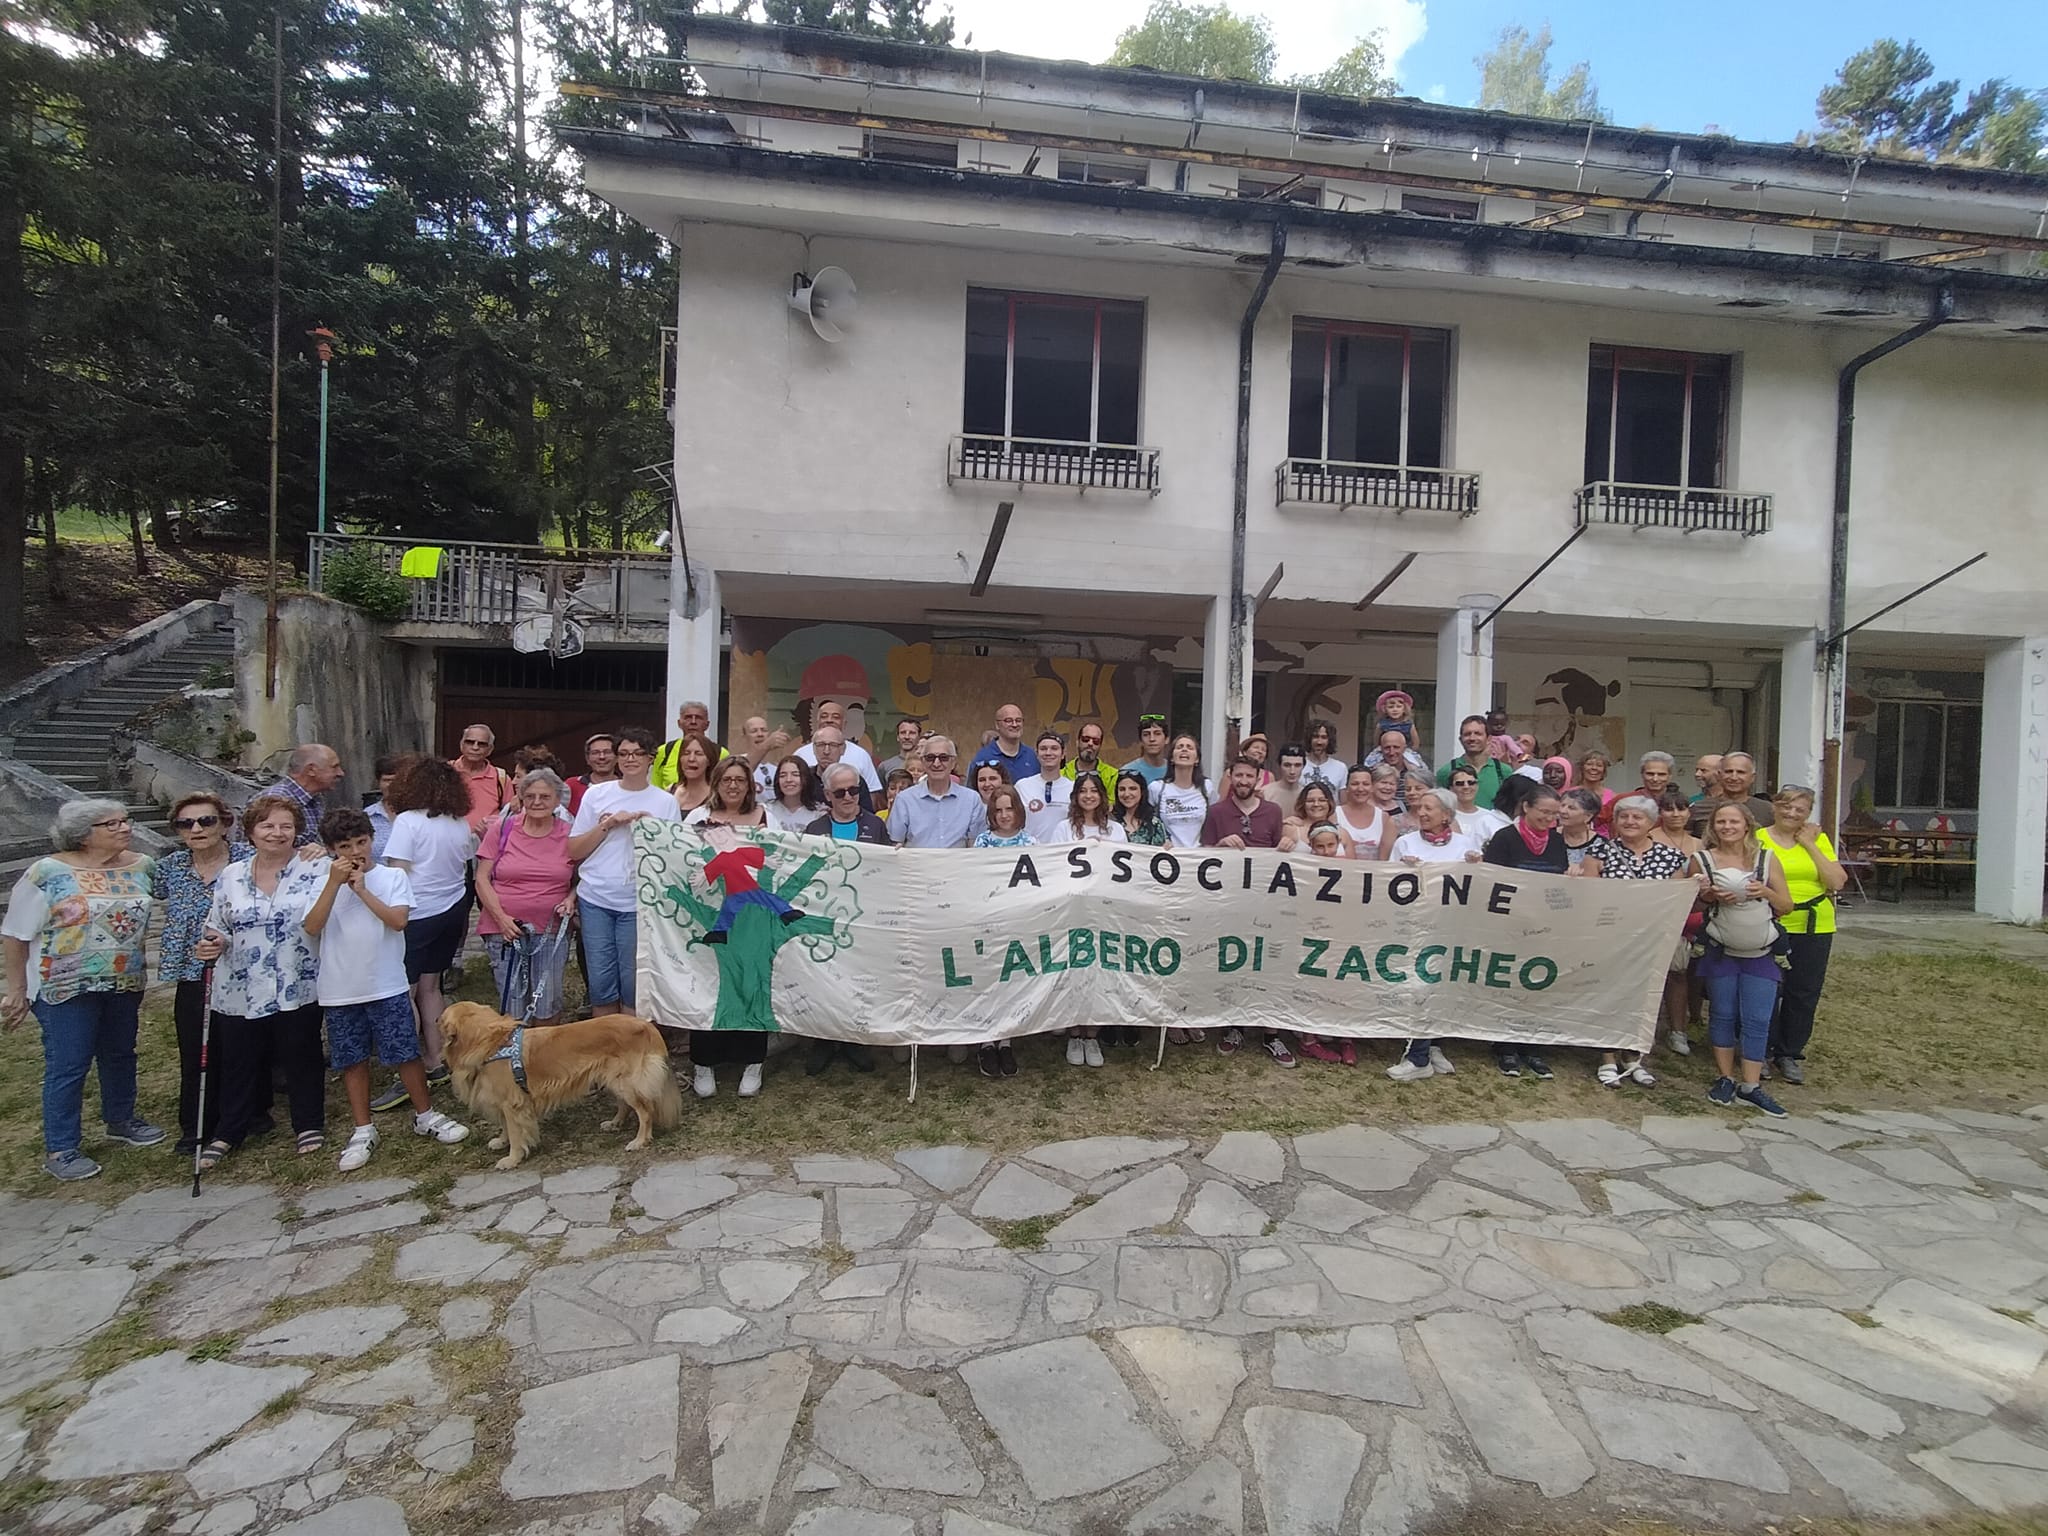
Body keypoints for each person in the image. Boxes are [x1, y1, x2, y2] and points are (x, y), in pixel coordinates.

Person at [1, 800, 164, 1180]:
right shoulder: (48, 873)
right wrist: (17, 988)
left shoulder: (142, 866)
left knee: (121, 1053)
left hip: (123, 979)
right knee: (69, 1063)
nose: (124, 828)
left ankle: (121, 1119)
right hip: (64, 985)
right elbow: (15, 933)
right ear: (84, 834)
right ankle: (61, 1147)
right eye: (112, 824)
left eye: (126, 821)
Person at [304, 807, 469, 1171]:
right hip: (339, 987)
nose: (355, 852)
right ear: (332, 849)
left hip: (387, 983)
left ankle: (425, 1114)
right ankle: (363, 1127)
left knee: (405, 1052)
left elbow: (398, 921)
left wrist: (362, 891)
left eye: (361, 842)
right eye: (345, 846)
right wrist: (334, 884)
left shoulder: (392, 877)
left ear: (372, 840)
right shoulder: (318, 878)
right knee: (352, 1059)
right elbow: (312, 926)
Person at [194, 795, 330, 1168]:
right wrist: (213, 942)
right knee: (239, 1058)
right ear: (251, 832)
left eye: (286, 826)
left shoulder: (315, 867)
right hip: (240, 982)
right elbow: (217, 924)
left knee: (301, 1054)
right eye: (268, 826)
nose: (277, 833)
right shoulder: (232, 875)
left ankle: (308, 1123)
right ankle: (229, 1129)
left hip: (295, 979)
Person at [373, 756, 477, 1110]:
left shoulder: (408, 821)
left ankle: (410, 1067)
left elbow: (397, 872)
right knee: (432, 987)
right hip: (451, 912)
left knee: (405, 991)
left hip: (416, 914)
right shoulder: (460, 823)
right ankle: (438, 1060)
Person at [151, 792, 248, 1157]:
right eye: (186, 823)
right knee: (196, 1047)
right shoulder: (170, 867)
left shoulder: (246, 859)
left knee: (239, 1046)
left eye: (206, 821)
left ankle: (244, 1116)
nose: (196, 828)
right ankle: (195, 1124)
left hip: (240, 965)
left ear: (224, 824)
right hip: (193, 969)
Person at [567, 727, 681, 1016]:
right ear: (617, 759)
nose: (630, 759)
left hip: (638, 901)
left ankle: (630, 1048)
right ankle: (604, 1047)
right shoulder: (596, 794)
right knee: (601, 979)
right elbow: (574, 850)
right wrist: (607, 825)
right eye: (624, 754)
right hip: (597, 898)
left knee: (633, 980)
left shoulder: (665, 802)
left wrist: (652, 830)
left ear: (650, 759)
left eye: (637, 753)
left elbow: (672, 858)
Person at [1586, 795, 1693, 1089]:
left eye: (1637, 818)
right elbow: (1589, 893)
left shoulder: (1669, 857)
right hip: (1611, 936)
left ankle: (1634, 1058)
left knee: (1643, 998)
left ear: (1651, 822)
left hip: (1651, 939)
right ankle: (1607, 1057)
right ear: (1616, 821)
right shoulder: (1600, 850)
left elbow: (1677, 899)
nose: (1630, 822)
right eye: (1624, 817)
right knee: (1609, 994)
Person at [1696, 801, 1794, 1117]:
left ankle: (1751, 1085)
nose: (1727, 827)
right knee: (1722, 1014)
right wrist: (1709, 895)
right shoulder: (1701, 860)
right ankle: (1725, 1078)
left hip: (1760, 952)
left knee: (1757, 1018)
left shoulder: (1766, 859)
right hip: (1722, 950)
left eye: (1733, 821)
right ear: (1713, 826)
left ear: (1746, 825)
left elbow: (1787, 904)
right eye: (1721, 821)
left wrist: (1762, 892)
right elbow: (1692, 904)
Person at [1384, 788, 1480, 1084]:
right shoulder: (1405, 843)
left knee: (1439, 987)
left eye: (1429, 808)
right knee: (1419, 986)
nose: (1422, 813)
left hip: (1451, 926)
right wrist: (1404, 871)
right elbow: (1386, 882)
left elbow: (1476, 886)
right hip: (1415, 925)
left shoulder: (1465, 845)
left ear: (1446, 816)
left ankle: (1431, 1044)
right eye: (1420, 808)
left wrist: (1477, 866)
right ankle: (1418, 1057)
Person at [799, 764, 887, 1077]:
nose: (848, 796)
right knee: (825, 980)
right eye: (840, 792)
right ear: (827, 795)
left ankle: (853, 1040)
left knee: (857, 980)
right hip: (826, 917)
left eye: (854, 789)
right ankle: (824, 1040)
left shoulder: (875, 825)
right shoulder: (815, 830)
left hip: (864, 918)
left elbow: (887, 869)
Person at [474, 767, 579, 1026]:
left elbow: (584, 877)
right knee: (512, 1003)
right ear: (520, 798)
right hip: (505, 929)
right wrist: (501, 918)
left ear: (557, 800)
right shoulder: (503, 828)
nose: (536, 802)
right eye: (529, 796)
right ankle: (512, 1060)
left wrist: (571, 898)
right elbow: (482, 878)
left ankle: (542, 1059)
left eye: (544, 797)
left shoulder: (570, 834)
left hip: (551, 930)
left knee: (547, 1000)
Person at [1758, 784, 1847, 1086]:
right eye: (1786, 806)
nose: (1791, 813)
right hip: (1771, 920)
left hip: (1815, 923)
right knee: (1767, 990)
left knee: (1804, 991)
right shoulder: (1758, 838)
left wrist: (1809, 844)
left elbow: (1836, 882)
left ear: (1808, 814)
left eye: (1800, 809)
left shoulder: (1817, 839)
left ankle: (1790, 1052)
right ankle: (1762, 1050)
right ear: (1775, 806)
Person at [1482, 785, 1568, 1080]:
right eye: (1544, 812)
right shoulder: (1505, 838)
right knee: (1508, 983)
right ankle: (1505, 1045)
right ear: (1526, 807)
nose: (1550, 819)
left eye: (1555, 814)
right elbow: (1490, 882)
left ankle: (1532, 1045)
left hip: (1545, 925)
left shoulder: (1557, 841)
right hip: (1509, 924)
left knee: (1537, 983)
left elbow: (1560, 881)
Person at [972, 785, 1035, 1077]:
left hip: (1019, 920)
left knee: (1012, 980)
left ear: (1018, 810)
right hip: (990, 920)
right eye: (998, 810)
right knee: (989, 978)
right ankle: (986, 1041)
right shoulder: (983, 842)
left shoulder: (1031, 842)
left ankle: (1006, 1040)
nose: (1004, 815)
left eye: (1009, 809)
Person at [890, 736, 987, 848]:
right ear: (923, 761)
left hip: (958, 865)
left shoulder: (972, 799)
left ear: (953, 762)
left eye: (944, 757)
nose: (936, 763)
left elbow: (975, 847)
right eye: (930, 758)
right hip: (917, 864)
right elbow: (895, 844)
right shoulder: (904, 799)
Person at [794, 700, 881, 794]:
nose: (829, 720)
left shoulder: (861, 754)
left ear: (844, 723)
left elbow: (872, 792)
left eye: (835, 717)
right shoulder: (801, 754)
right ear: (817, 721)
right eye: (824, 716)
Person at [267, 743, 344, 847]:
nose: (340, 773)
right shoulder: (276, 799)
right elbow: (269, 850)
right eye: (334, 767)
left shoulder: (315, 798)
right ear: (311, 770)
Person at [1200, 756, 1284, 849]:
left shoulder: (1273, 811)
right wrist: (1220, 845)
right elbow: (1206, 851)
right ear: (1230, 778)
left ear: (1257, 780)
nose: (1244, 781)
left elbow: (1278, 851)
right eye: (1238, 775)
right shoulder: (1215, 812)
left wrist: (1286, 844)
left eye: (1249, 776)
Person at [1690, 751, 1775, 838]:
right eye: (1729, 771)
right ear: (1719, 775)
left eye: (1740, 772)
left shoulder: (1768, 810)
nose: (1734, 777)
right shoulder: (1697, 809)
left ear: (1752, 777)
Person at [1150, 734, 1213, 848]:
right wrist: (1158, 840)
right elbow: (1146, 821)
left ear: (1197, 759)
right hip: (1167, 856)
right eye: (1179, 747)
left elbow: (1214, 821)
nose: (1184, 749)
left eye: (1189, 747)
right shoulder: (1157, 788)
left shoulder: (1206, 787)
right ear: (1172, 758)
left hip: (1199, 856)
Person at [449, 724, 515, 834]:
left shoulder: (501, 778)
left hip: (487, 843)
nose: (475, 747)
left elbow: (510, 816)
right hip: (450, 842)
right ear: (461, 745)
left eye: (482, 744)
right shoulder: (445, 772)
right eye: (470, 742)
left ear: (490, 750)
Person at [651, 700, 727, 789]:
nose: (693, 722)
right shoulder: (664, 751)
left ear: (707, 724)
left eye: (698, 718)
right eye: (688, 717)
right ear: (679, 723)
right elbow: (656, 787)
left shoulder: (720, 753)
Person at [1435, 716, 1509, 806]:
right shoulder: (1447, 771)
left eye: (1478, 733)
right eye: (1467, 734)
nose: (1472, 738)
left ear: (1489, 739)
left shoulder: (1503, 771)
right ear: (1460, 740)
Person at [1014, 731, 1073, 843]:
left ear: (1063, 753)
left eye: (1054, 748)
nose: (1048, 753)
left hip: (1063, 852)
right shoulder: (1022, 786)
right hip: (1030, 852)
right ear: (1037, 753)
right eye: (1043, 749)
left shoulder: (1073, 788)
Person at [687, 756, 767, 831]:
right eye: (726, 780)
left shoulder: (767, 817)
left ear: (749, 785)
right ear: (716, 784)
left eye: (740, 780)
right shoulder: (697, 816)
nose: (733, 786)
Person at [810, 726, 877, 815]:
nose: (826, 751)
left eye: (833, 745)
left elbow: (866, 816)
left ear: (843, 749)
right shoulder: (804, 778)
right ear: (814, 749)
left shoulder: (854, 780)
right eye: (821, 745)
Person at [1049, 773, 1125, 843]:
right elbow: (1054, 856)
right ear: (1076, 796)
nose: (1088, 796)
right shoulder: (1063, 828)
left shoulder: (1116, 829)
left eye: (1094, 791)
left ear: (1101, 795)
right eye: (1082, 791)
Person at [1334, 767, 1391, 859]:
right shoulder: (1334, 815)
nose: (1360, 789)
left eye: (1366, 784)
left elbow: (1385, 859)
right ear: (1347, 787)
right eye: (1355, 784)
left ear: (1372, 787)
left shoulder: (1383, 818)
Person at [1446, 764, 1509, 844]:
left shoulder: (1489, 816)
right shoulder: (1445, 816)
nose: (1466, 786)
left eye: (1471, 782)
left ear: (1477, 786)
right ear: (1451, 788)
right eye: (1460, 783)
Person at [969, 703, 1031, 780]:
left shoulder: (1032, 756)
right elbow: (972, 790)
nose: (1014, 725)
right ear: (997, 725)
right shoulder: (983, 757)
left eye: (1018, 720)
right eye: (1008, 721)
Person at [365, 752, 408, 862]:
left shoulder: (419, 816)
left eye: (396, 780)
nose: (392, 785)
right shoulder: (367, 817)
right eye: (387, 780)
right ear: (378, 782)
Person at [764, 757, 825, 833]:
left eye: (795, 775)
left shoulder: (820, 813)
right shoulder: (766, 810)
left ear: (806, 778)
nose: (788, 780)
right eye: (783, 775)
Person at [1280, 782, 1344, 854]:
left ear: (1330, 803)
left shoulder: (1342, 832)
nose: (1316, 804)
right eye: (1310, 801)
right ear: (1303, 804)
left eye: (1322, 800)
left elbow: (1353, 863)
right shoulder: (1291, 828)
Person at [666, 733, 717, 820]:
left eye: (698, 754)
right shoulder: (670, 791)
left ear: (709, 760)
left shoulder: (716, 797)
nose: (691, 759)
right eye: (686, 753)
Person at [566, 733, 619, 814]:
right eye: (595, 753)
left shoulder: (628, 786)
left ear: (617, 757)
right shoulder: (571, 785)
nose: (602, 757)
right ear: (587, 759)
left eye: (607, 752)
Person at [740, 714, 794, 792]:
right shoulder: (738, 761)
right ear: (744, 736)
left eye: (764, 730)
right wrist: (767, 745)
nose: (760, 734)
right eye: (754, 731)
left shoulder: (778, 767)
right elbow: (742, 772)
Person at [1114, 769, 1169, 846]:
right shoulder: (1108, 822)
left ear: (1142, 791)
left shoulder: (1154, 824)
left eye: (1132, 789)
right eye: (1122, 789)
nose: (1126, 794)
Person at [1064, 720, 1117, 797]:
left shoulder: (1113, 775)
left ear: (1100, 746)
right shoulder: (1062, 774)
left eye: (1096, 741)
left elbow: (1111, 806)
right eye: (1086, 739)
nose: (1090, 743)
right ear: (1077, 742)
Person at [1557, 787, 1605, 869]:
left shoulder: (1601, 844)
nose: (1563, 811)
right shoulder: (1549, 837)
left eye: (1571, 808)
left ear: (1588, 816)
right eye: (1562, 805)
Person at [1300, 720, 1348, 795]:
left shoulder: (1340, 768)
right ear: (1309, 739)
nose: (1319, 742)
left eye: (1324, 737)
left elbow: (1343, 802)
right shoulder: (1298, 765)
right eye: (1315, 737)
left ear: (1329, 740)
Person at [1361, 726, 1429, 779]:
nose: (1391, 752)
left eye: (1396, 747)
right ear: (1380, 749)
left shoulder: (1417, 771)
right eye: (1387, 748)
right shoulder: (1371, 772)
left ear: (1404, 749)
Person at [1122, 713, 1171, 784]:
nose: (1152, 739)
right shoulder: (1128, 771)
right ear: (1141, 741)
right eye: (1146, 734)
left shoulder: (1175, 770)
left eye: (1157, 734)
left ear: (1166, 739)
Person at [1578, 750, 1618, 831]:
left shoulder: (1613, 797)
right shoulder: (1569, 794)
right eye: (1589, 764)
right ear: (1582, 768)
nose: (1594, 768)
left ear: (1604, 771)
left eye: (1599, 765)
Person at [1261, 743, 1306, 809]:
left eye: (1297, 765)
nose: (1292, 771)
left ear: (1303, 766)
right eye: (1287, 765)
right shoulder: (1266, 793)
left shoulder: (1306, 794)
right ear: (1279, 766)